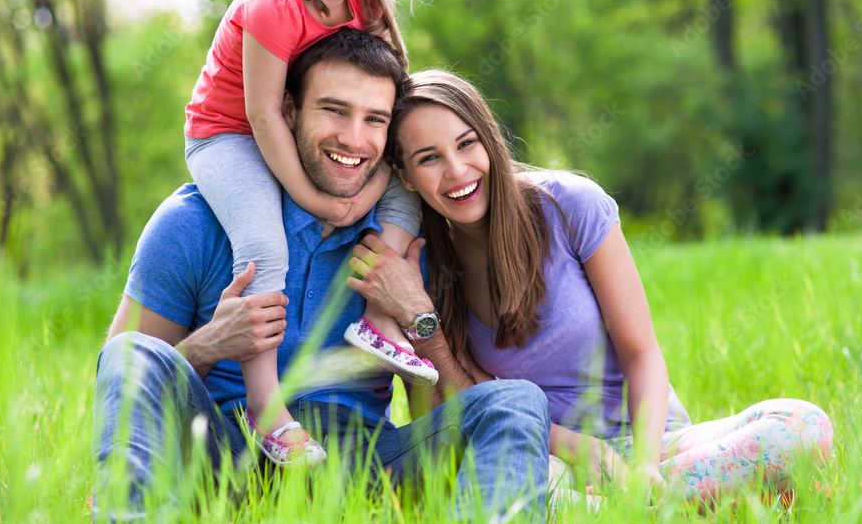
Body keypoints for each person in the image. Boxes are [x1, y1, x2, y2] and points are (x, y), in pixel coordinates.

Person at [92, 29, 551, 521]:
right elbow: (126, 380)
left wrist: (419, 319)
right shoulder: (193, 222)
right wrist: (210, 344)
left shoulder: (409, 238)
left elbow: (438, 412)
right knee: (132, 350)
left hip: (363, 466)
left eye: (374, 119)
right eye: (334, 110)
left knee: (515, 402)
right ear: (288, 111)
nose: (354, 138)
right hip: (224, 456)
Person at [350, 70, 835, 508]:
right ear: (406, 177)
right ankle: (708, 505)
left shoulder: (569, 207)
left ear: (490, 140)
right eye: (429, 158)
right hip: (544, 460)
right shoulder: (426, 264)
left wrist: (642, 468)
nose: (457, 171)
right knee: (508, 487)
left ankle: (649, 507)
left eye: (467, 144)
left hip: (657, 445)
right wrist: (418, 321)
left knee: (800, 425)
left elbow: (640, 352)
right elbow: (452, 412)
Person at [182, 0, 437, 467]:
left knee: (407, 188)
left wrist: (378, 178)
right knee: (264, 244)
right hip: (229, 136)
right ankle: (266, 405)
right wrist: (321, 200)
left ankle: (378, 317)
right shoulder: (273, 6)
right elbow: (265, 116)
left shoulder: (364, 2)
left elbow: (384, 96)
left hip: (306, 133)